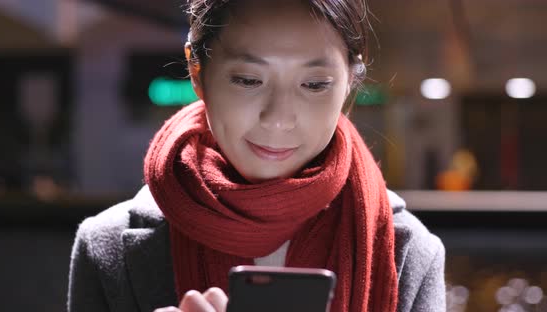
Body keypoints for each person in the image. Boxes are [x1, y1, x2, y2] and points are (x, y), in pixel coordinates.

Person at [67, 0, 446, 311]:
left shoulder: (407, 252)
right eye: (249, 80)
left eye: (314, 84)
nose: (279, 119)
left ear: (349, 82)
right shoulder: (107, 247)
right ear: (196, 71)